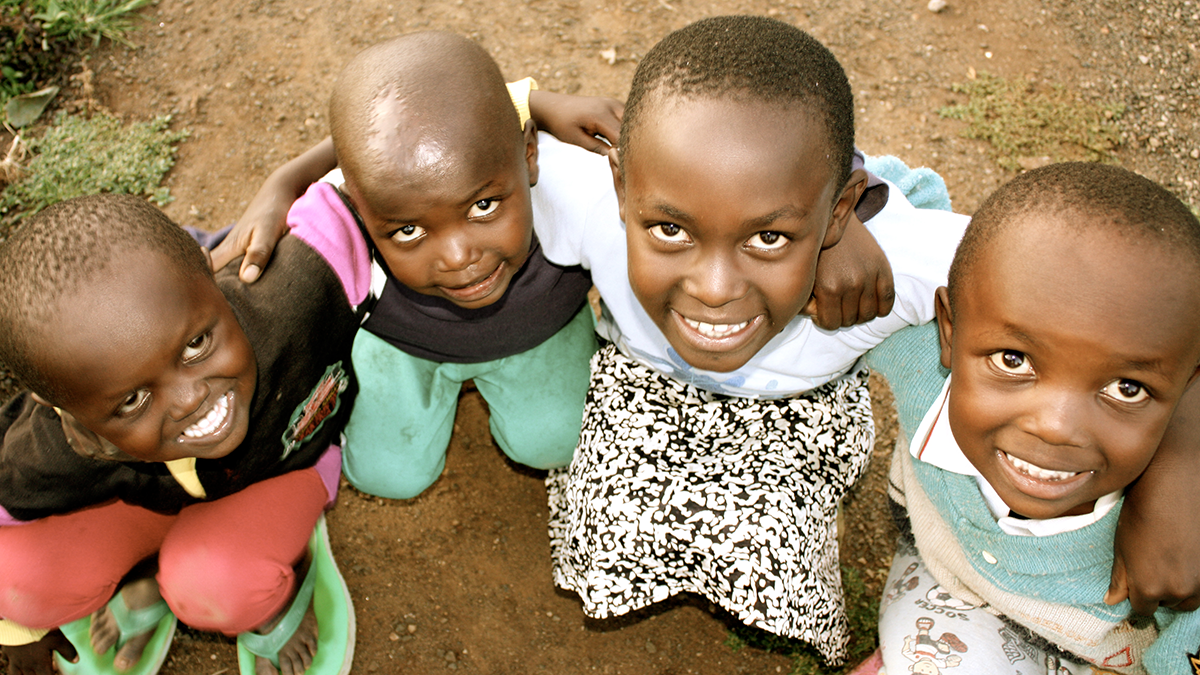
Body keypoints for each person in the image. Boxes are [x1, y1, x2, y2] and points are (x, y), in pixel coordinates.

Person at [529, 16, 1200, 665]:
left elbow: (1109, 306)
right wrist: (531, 101)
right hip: (649, 388)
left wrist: (1183, 468)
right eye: (671, 230)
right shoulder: (585, 196)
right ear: (622, 187)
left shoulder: (898, 263)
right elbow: (464, 145)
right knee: (608, 521)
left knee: (774, 555)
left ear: (840, 210)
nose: (714, 288)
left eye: (769, 236)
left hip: (793, 411)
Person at [208, 30, 904, 501]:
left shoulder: (577, 180)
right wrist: (284, 183)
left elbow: (740, 142)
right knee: (388, 476)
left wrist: (838, 227)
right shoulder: (348, 215)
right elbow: (360, 163)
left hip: (537, 336)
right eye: (409, 230)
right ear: (360, 209)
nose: (458, 256)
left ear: (529, 156)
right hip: (402, 346)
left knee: (553, 441)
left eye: (484, 206)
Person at [0, 193, 364, 675]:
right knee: (14, 578)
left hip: (279, 471)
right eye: (132, 400)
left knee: (215, 585)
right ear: (65, 412)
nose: (190, 399)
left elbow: (365, 186)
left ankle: (275, 582)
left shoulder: (294, 294)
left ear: (208, 266)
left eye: (195, 345)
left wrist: (287, 181)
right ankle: (147, 572)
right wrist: (14, 630)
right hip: (149, 506)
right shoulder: (59, 447)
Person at [868, 162, 1200, 674]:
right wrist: (847, 234)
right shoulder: (918, 355)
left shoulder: (1184, 542)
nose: (1055, 426)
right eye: (1013, 360)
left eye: (1126, 388)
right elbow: (829, 172)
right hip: (948, 590)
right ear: (950, 330)